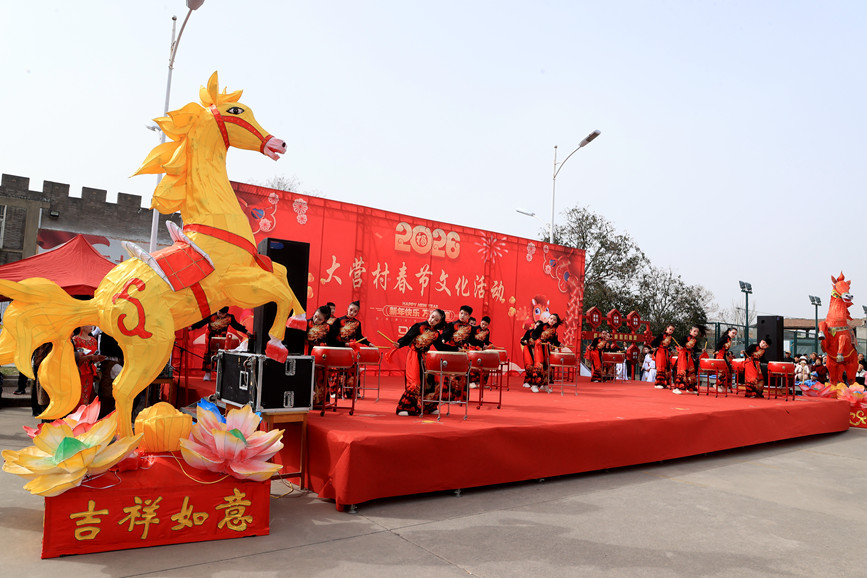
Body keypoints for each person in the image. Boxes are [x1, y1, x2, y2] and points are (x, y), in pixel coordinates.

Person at [393, 309, 447, 416]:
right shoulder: (419, 326)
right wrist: (400, 343)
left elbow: (440, 347)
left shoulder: (436, 334)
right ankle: (405, 407)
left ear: (439, 322)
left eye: (436, 320)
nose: (432, 320)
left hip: (425, 357)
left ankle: (429, 408)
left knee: (430, 381)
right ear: (429, 315)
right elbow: (408, 337)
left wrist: (456, 349)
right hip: (414, 355)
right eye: (432, 317)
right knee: (415, 382)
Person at [191, 307, 253, 380]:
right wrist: (192, 328)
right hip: (210, 336)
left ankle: (219, 373)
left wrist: (246, 331)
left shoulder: (229, 318)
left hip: (222, 336)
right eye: (219, 313)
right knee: (208, 352)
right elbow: (202, 322)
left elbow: (237, 326)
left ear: (226, 313)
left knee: (221, 353)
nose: (220, 315)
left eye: (222, 314)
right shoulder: (212, 315)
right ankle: (207, 373)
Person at [439, 305, 474, 399]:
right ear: (459, 313)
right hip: (453, 352)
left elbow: (473, 340)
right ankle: (448, 396)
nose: (462, 316)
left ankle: (461, 397)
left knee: (463, 375)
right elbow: (445, 335)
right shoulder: (452, 325)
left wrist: (482, 345)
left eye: (465, 314)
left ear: (468, 317)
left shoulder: (470, 328)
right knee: (451, 375)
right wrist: (442, 339)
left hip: (464, 354)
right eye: (461, 313)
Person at [305, 305, 333, 406]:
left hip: (321, 356)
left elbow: (332, 342)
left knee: (321, 377)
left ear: (325, 320)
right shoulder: (307, 323)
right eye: (315, 316)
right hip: (307, 354)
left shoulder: (328, 328)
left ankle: (321, 401)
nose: (316, 320)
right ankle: (307, 401)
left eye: (320, 319)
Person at [72, 325, 105, 407]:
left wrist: (96, 358)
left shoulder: (93, 340)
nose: (91, 326)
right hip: (79, 371)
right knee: (79, 396)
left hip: (89, 370)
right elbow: (74, 358)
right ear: (82, 326)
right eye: (89, 324)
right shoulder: (75, 340)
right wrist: (89, 357)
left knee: (88, 395)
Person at [528, 313, 562, 392]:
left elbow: (554, 341)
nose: (552, 320)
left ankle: (545, 385)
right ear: (548, 319)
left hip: (547, 348)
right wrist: (538, 340)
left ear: (556, 322)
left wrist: (559, 344)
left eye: (554, 319)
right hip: (539, 347)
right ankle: (534, 385)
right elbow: (534, 334)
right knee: (539, 364)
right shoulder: (542, 326)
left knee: (547, 366)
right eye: (551, 318)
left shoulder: (553, 330)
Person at [673, 326, 703, 395]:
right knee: (682, 370)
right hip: (683, 355)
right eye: (694, 331)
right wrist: (680, 346)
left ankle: (690, 388)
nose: (696, 333)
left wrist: (701, 350)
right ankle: (676, 388)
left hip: (689, 355)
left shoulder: (694, 340)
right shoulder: (686, 337)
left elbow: (695, 349)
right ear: (690, 331)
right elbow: (680, 344)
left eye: (697, 332)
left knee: (691, 370)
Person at [468, 315, 493, 389]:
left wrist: (490, 344)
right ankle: (472, 382)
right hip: (473, 349)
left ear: (488, 325)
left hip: (480, 350)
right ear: (480, 322)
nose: (483, 326)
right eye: (483, 324)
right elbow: (472, 340)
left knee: (484, 365)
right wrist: (482, 345)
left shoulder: (487, 332)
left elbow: (486, 341)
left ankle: (481, 382)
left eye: (486, 325)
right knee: (474, 365)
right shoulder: (474, 329)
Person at [650, 325, 676, 389]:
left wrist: (671, 351)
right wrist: (654, 347)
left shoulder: (670, 337)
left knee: (665, 367)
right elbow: (654, 342)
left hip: (666, 352)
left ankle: (664, 383)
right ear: (667, 328)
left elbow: (667, 346)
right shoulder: (662, 335)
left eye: (672, 330)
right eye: (670, 329)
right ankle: (658, 383)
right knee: (660, 366)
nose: (671, 331)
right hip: (660, 351)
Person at [715, 327, 738, 392]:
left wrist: (729, 355)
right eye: (733, 333)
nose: (734, 335)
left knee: (728, 370)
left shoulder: (729, 339)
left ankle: (723, 385)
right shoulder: (725, 338)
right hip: (720, 355)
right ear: (729, 332)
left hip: (724, 355)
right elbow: (718, 345)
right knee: (722, 371)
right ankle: (717, 385)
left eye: (735, 334)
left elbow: (726, 350)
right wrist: (716, 350)